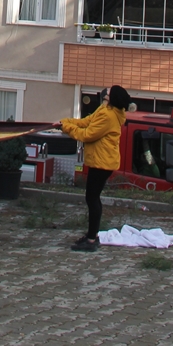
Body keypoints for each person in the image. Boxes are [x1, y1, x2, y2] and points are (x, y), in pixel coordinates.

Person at [56, 84, 131, 252]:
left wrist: (66, 128)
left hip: (102, 163)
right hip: (101, 161)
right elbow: (85, 122)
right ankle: (92, 235)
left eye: (109, 92)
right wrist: (65, 122)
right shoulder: (105, 110)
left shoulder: (108, 116)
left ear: (113, 98)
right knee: (92, 197)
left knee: (92, 198)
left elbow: (87, 134)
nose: (106, 93)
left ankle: (91, 240)